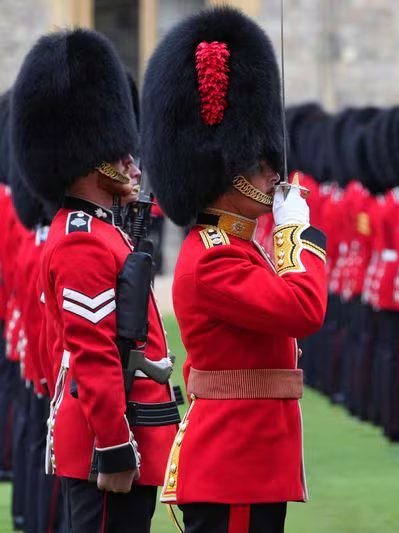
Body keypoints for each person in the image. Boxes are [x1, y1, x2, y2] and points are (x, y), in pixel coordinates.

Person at [140, 7, 327, 532]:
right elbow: (304, 308)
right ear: (229, 174)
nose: (273, 176)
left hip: (250, 461)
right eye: (260, 166)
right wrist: (298, 232)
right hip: (234, 465)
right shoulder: (216, 256)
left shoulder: (238, 247)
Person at [11, 29, 178, 531]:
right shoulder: (83, 240)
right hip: (108, 442)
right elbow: (93, 352)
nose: (130, 162)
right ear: (89, 158)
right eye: (118, 152)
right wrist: (114, 446)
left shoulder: (99, 231)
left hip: (125, 432)